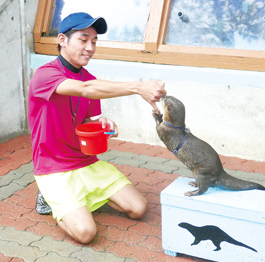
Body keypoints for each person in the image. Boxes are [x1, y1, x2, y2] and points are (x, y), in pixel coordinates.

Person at [28, 12, 166, 244]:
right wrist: (138, 87)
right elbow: (85, 89)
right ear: (62, 40)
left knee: (139, 208)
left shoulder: (89, 77)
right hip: (52, 166)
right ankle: (49, 198)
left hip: (84, 161)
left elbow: (86, 119)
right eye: (83, 39)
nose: (90, 47)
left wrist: (102, 123)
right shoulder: (45, 74)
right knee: (85, 233)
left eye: (94, 41)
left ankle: (78, 199)